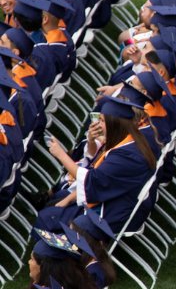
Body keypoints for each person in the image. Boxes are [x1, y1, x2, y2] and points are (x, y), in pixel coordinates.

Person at [37, 96, 157, 234]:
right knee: (56, 203)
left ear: (114, 125)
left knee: (46, 218)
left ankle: (49, 254)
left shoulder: (127, 156)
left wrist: (61, 155)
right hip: (110, 197)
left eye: (102, 121)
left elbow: (92, 181)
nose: (98, 125)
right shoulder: (128, 141)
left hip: (110, 212)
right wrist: (91, 141)